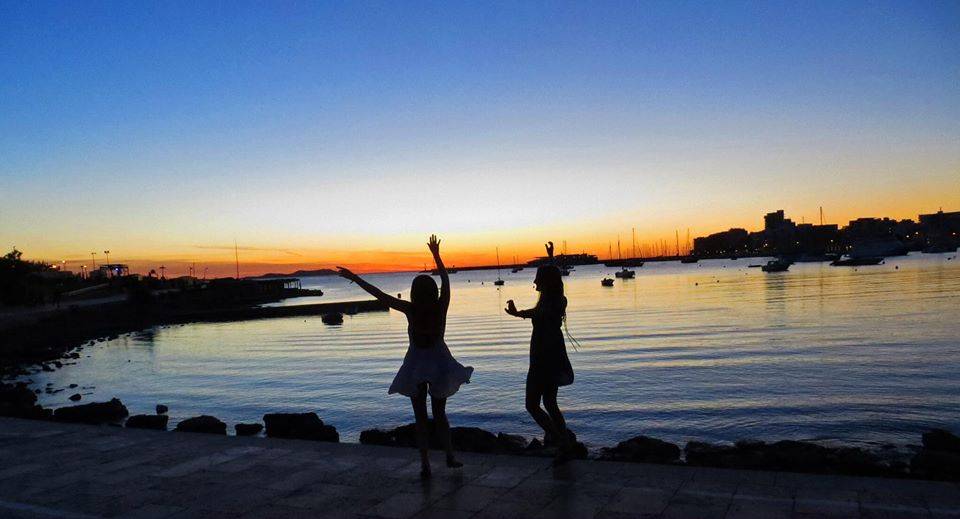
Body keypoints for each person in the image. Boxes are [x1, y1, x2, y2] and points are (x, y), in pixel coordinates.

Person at [337, 235, 472, 479]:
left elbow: (379, 294)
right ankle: (449, 456)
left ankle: (425, 464)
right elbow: (445, 280)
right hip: (439, 361)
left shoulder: (411, 309)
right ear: (432, 292)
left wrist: (355, 278)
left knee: (420, 417)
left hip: (417, 363)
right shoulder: (441, 306)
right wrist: (437, 256)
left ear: (414, 292)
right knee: (440, 414)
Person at [504, 241, 575, 460]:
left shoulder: (557, 302)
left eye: (538, 278)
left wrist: (519, 314)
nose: (535, 282)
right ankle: (561, 441)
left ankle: (559, 440)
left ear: (547, 282)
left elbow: (540, 314)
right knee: (547, 403)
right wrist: (551, 256)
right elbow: (538, 311)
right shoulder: (550, 300)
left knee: (533, 404)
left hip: (545, 359)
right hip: (547, 357)